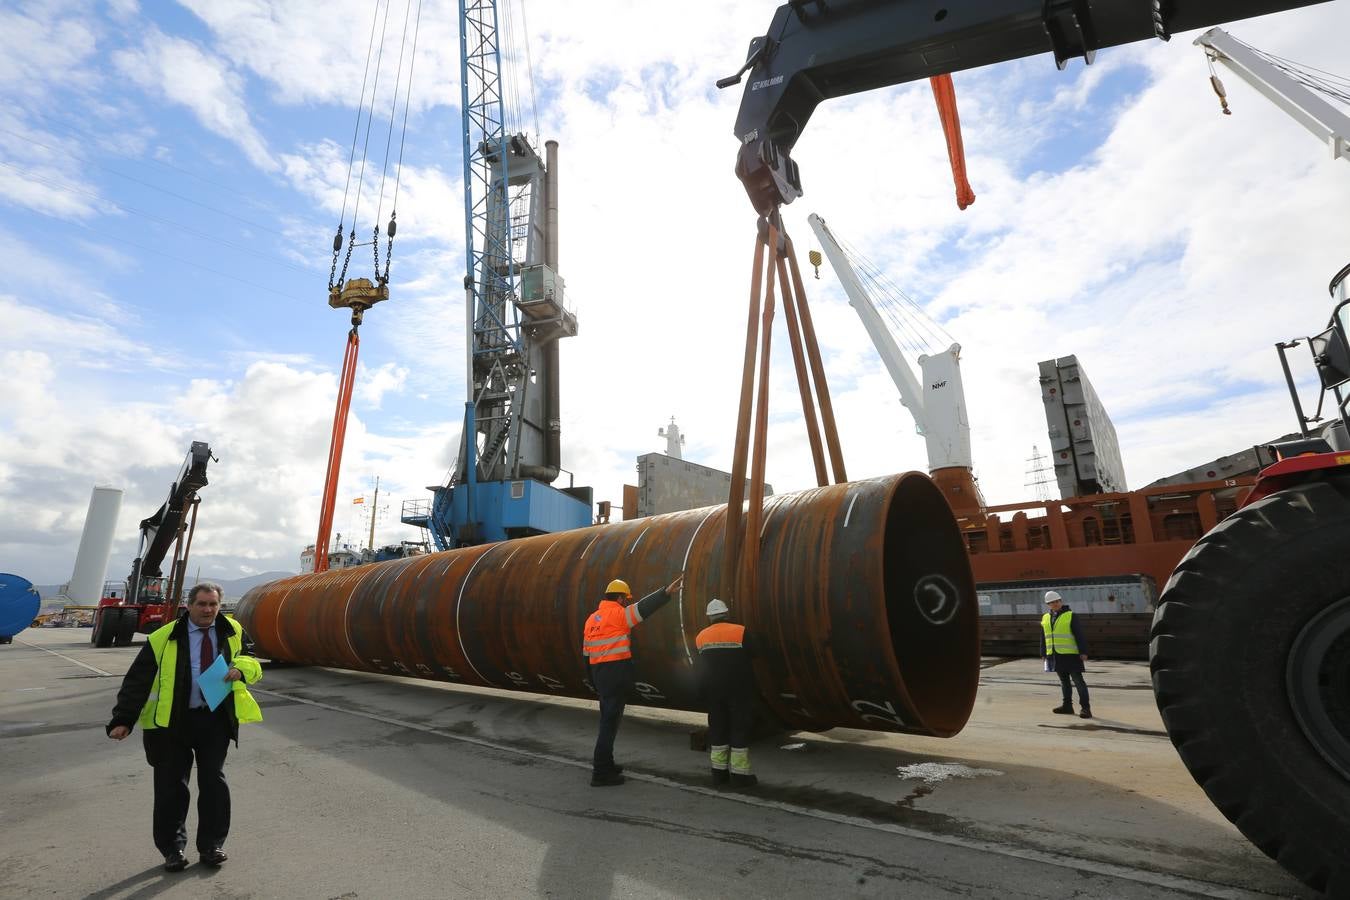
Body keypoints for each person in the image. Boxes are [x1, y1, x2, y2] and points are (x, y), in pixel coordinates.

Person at [106, 582, 264, 872]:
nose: (208, 610)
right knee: (171, 788)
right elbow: (137, 681)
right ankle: (173, 850)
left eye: (213, 604)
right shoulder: (163, 637)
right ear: (189, 605)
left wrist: (241, 668)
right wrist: (123, 719)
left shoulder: (233, 630)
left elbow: (250, 656)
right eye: (202, 604)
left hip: (214, 718)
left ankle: (212, 845)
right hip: (172, 723)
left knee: (213, 782)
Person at [582, 573, 684, 786]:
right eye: (625, 599)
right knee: (609, 725)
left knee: (607, 721)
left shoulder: (591, 619)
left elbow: (585, 655)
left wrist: (593, 682)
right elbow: (644, 608)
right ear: (620, 598)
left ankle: (607, 764)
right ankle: (600, 773)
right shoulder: (618, 615)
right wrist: (665, 592)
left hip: (600, 675)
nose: (626, 602)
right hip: (615, 675)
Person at [694, 598, 758, 788]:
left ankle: (719, 774)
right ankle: (740, 776)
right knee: (738, 729)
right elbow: (756, 653)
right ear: (726, 614)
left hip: (714, 692)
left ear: (709, 617)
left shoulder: (701, 637)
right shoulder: (741, 631)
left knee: (718, 730)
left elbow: (699, 667)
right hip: (739, 690)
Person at [1040, 590, 1091, 719]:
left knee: (1078, 681)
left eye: (1057, 601)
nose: (1055, 604)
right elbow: (1043, 636)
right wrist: (1043, 652)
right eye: (1052, 602)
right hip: (1055, 655)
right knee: (1064, 682)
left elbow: (1079, 635)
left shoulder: (1070, 615)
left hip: (1071, 655)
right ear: (1048, 604)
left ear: (1061, 601)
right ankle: (1067, 706)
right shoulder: (1045, 617)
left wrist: (1083, 651)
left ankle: (1085, 708)